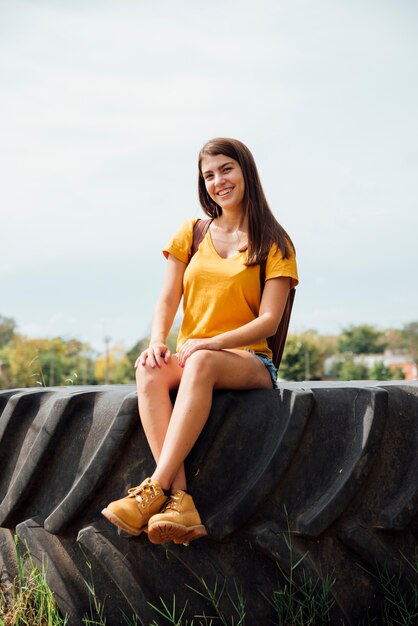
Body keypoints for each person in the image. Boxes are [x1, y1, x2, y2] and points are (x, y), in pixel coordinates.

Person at [101, 137, 298, 545]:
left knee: (202, 362)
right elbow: (168, 297)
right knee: (149, 368)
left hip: (249, 361)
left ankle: (152, 489)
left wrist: (211, 343)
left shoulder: (275, 242)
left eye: (226, 169)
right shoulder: (191, 233)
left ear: (246, 171)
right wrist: (158, 341)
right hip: (195, 358)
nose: (218, 181)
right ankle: (181, 502)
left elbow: (268, 321)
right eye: (208, 175)